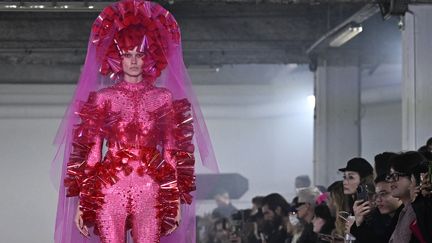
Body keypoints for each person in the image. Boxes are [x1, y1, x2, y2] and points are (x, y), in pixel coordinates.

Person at [51, 1, 218, 243]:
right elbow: (93, 152)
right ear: (117, 57)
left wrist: (175, 201)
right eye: (127, 55)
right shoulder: (103, 98)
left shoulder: (162, 98)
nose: (133, 61)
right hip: (110, 189)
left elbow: (171, 150)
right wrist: (83, 203)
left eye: (139, 55)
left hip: (151, 189)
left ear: (149, 58)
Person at [387, 151, 431, 243]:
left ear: (413, 178)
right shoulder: (403, 210)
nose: (391, 181)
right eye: (390, 176)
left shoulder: (423, 209)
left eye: (395, 176)